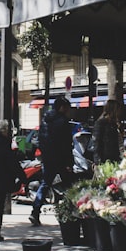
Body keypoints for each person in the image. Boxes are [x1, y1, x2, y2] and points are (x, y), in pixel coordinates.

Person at [29, 96, 73, 227]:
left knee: (45, 184)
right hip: (60, 158)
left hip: (48, 158)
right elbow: (66, 144)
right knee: (68, 186)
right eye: (67, 108)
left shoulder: (45, 120)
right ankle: (70, 214)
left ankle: (35, 211)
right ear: (62, 107)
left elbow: (41, 139)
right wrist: (69, 163)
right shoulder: (62, 121)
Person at [91, 99, 123, 164]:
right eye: (118, 109)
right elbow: (96, 142)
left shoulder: (114, 124)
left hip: (114, 158)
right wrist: (98, 161)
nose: (119, 112)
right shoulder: (101, 123)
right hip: (105, 159)